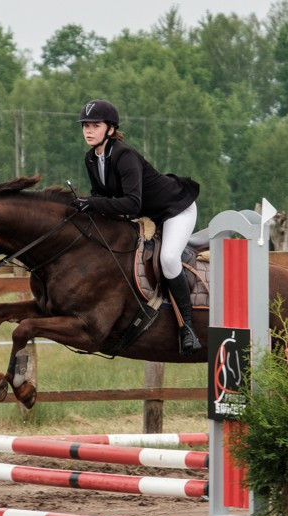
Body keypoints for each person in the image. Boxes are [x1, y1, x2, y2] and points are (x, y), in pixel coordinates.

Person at [73, 99, 202, 355]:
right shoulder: (91, 159)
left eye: (95, 125)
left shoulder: (124, 155)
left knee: (167, 259)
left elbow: (132, 204)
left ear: (110, 129)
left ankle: (187, 328)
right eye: (85, 125)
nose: (88, 130)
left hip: (175, 209)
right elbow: (102, 197)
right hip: (149, 216)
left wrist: (91, 203)